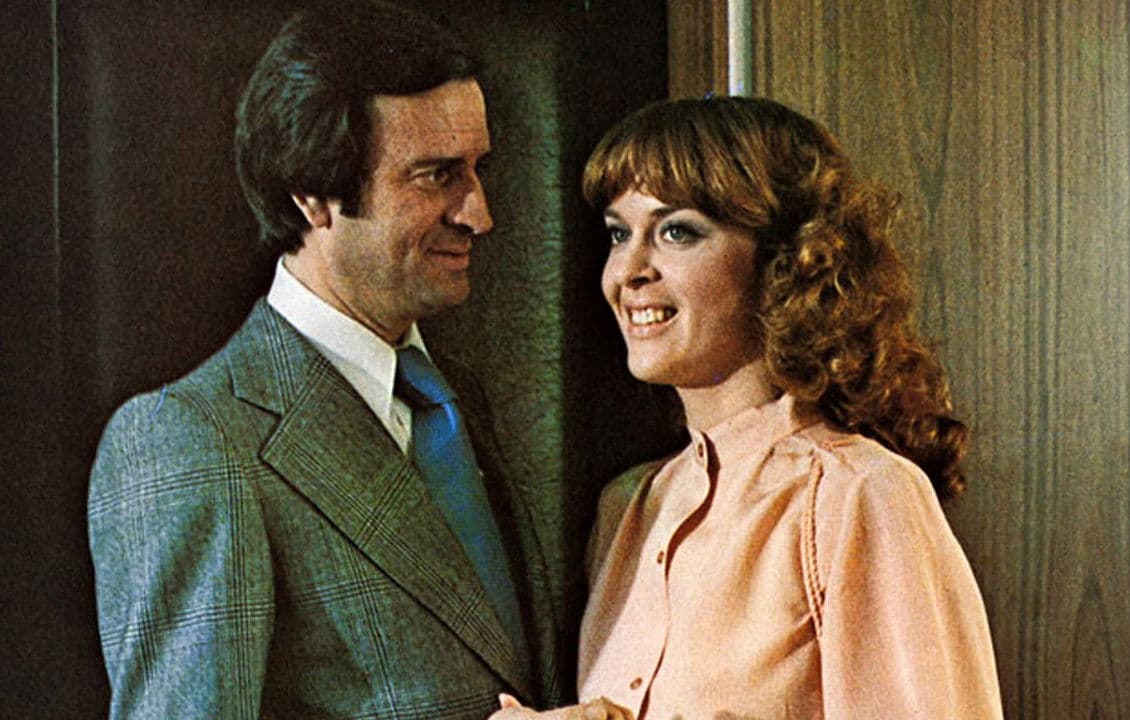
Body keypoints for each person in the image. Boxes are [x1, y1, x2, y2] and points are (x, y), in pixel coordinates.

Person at [87, 5, 567, 718]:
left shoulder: (454, 399)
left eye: (478, 170)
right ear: (311, 194)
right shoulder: (191, 440)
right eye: (437, 176)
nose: (479, 214)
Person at [495, 96, 1002, 719]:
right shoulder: (626, 509)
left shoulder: (860, 495)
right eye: (619, 234)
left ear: (786, 261)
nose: (629, 270)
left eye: (677, 232)